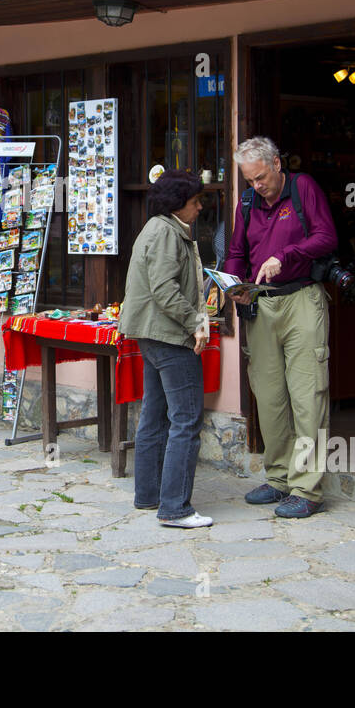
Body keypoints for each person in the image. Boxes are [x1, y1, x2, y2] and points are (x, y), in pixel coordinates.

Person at [224, 136, 338, 518]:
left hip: (301, 297)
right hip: (261, 303)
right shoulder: (247, 202)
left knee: (308, 395)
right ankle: (278, 478)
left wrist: (286, 256)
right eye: (249, 180)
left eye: (260, 177)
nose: (256, 186)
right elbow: (237, 251)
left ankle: (306, 488)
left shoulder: (302, 187)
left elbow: (326, 237)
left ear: (276, 164)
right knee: (269, 397)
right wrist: (235, 285)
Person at [117, 169, 212, 528]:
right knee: (185, 420)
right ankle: (175, 507)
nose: (200, 208)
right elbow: (164, 290)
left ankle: (149, 494)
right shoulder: (166, 232)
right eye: (195, 202)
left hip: (153, 335)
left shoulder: (158, 228)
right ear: (177, 204)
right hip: (169, 336)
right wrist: (195, 322)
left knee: (155, 417)